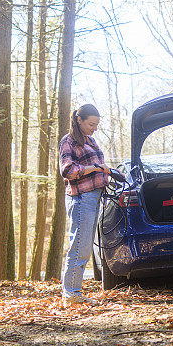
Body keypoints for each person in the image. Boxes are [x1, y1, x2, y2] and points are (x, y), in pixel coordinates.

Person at [59, 103, 111, 306]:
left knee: (85, 246)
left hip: (94, 197)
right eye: (91, 124)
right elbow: (68, 170)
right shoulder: (68, 141)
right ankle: (71, 293)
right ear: (79, 120)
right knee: (79, 246)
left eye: (97, 125)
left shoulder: (90, 140)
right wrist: (94, 168)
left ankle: (73, 291)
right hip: (81, 198)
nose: (94, 128)